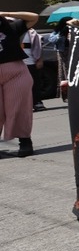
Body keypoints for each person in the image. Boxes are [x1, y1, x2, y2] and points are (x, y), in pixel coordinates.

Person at [1, 10, 38, 156]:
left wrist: (5, 12)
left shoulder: (11, 28)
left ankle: (25, 141)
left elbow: (33, 17)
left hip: (16, 73)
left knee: (19, 108)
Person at [20, 27, 44, 112]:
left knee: (35, 83)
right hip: (17, 63)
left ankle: (37, 102)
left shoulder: (32, 33)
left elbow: (39, 47)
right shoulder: (10, 32)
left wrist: (40, 59)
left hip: (31, 61)